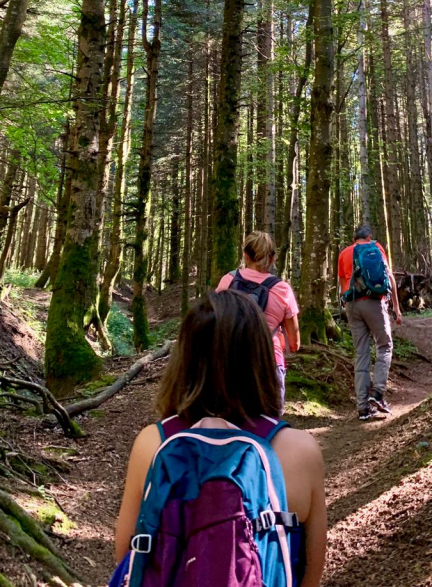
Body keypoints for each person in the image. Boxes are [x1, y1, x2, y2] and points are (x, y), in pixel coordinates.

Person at [114, 291, 327, 587]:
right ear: (260, 358)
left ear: (184, 359)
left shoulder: (153, 443)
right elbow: (310, 574)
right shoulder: (301, 450)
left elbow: (128, 554)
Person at [216, 230, 300, 413]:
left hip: (230, 364)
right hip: (269, 362)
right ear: (272, 258)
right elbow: (295, 343)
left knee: (230, 428)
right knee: (270, 429)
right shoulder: (283, 290)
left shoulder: (227, 282)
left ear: (246, 255)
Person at [337, 222, 402, 421]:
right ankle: (378, 394)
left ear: (354, 238)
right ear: (369, 237)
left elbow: (341, 284)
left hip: (352, 305)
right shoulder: (376, 248)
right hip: (374, 302)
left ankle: (363, 408)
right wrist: (396, 308)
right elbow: (389, 277)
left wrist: (345, 306)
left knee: (361, 353)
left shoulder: (344, 253)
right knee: (385, 345)